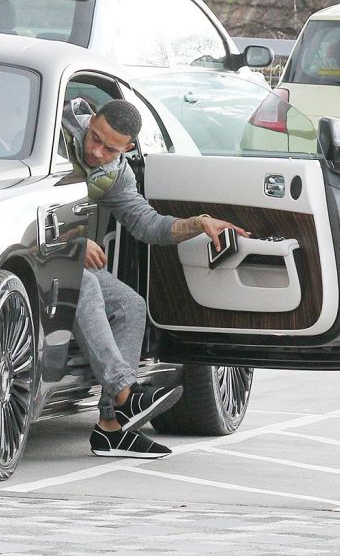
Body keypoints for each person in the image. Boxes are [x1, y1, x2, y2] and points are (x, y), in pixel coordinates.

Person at [62, 97, 248, 459]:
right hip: (34, 254)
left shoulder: (117, 172)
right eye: (94, 138)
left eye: (110, 147)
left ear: (128, 148)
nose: (97, 151)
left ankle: (111, 428)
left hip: (65, 261)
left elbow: (147, 226)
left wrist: (198, 223)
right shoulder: (56, 138)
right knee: (81, 280)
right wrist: (71, 240)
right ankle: (125, 395)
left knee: (131, 305)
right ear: (91, 122)